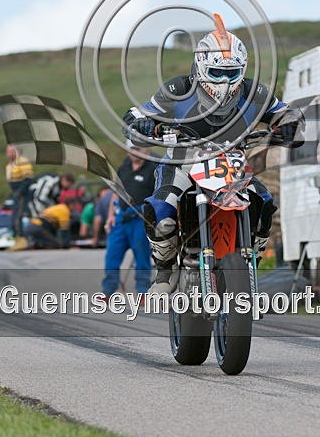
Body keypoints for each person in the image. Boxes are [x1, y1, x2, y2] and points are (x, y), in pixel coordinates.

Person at [123, 14, 303, 293]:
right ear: (200, 66)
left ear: (242, 70)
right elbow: (135, 113)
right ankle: (165, 269)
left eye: (232, 73)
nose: (224, 80)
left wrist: (289, 126)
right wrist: (143, 123)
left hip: (233, 164)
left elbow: (284, 112)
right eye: (217, 73)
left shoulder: (254, 92)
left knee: (264, 202)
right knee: (161, 209)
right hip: (182, 162)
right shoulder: (177, 89)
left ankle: (251, 255)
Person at [100, 141, 159, 297]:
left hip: (140, 218)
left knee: (141, 256)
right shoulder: (125, 166)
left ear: (146, 150)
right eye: (131, 149)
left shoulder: (154, 168)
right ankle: (107, 291)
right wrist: (110, 216)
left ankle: (143, 292)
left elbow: (158, 196)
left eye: (138, 149)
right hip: (121, 217)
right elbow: (116, 191)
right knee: (112, 255)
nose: (134, 153)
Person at [5, 144, 34, 243]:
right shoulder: (10, 164)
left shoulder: (22, 161)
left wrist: (19, 192)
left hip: (22, 192)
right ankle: (17, 236)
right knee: (16, 214)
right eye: (8, 151)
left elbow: (28, 179)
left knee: (19, 215)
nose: (8, 153)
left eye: (11, 151)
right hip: (15, 191)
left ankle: (20, 237)